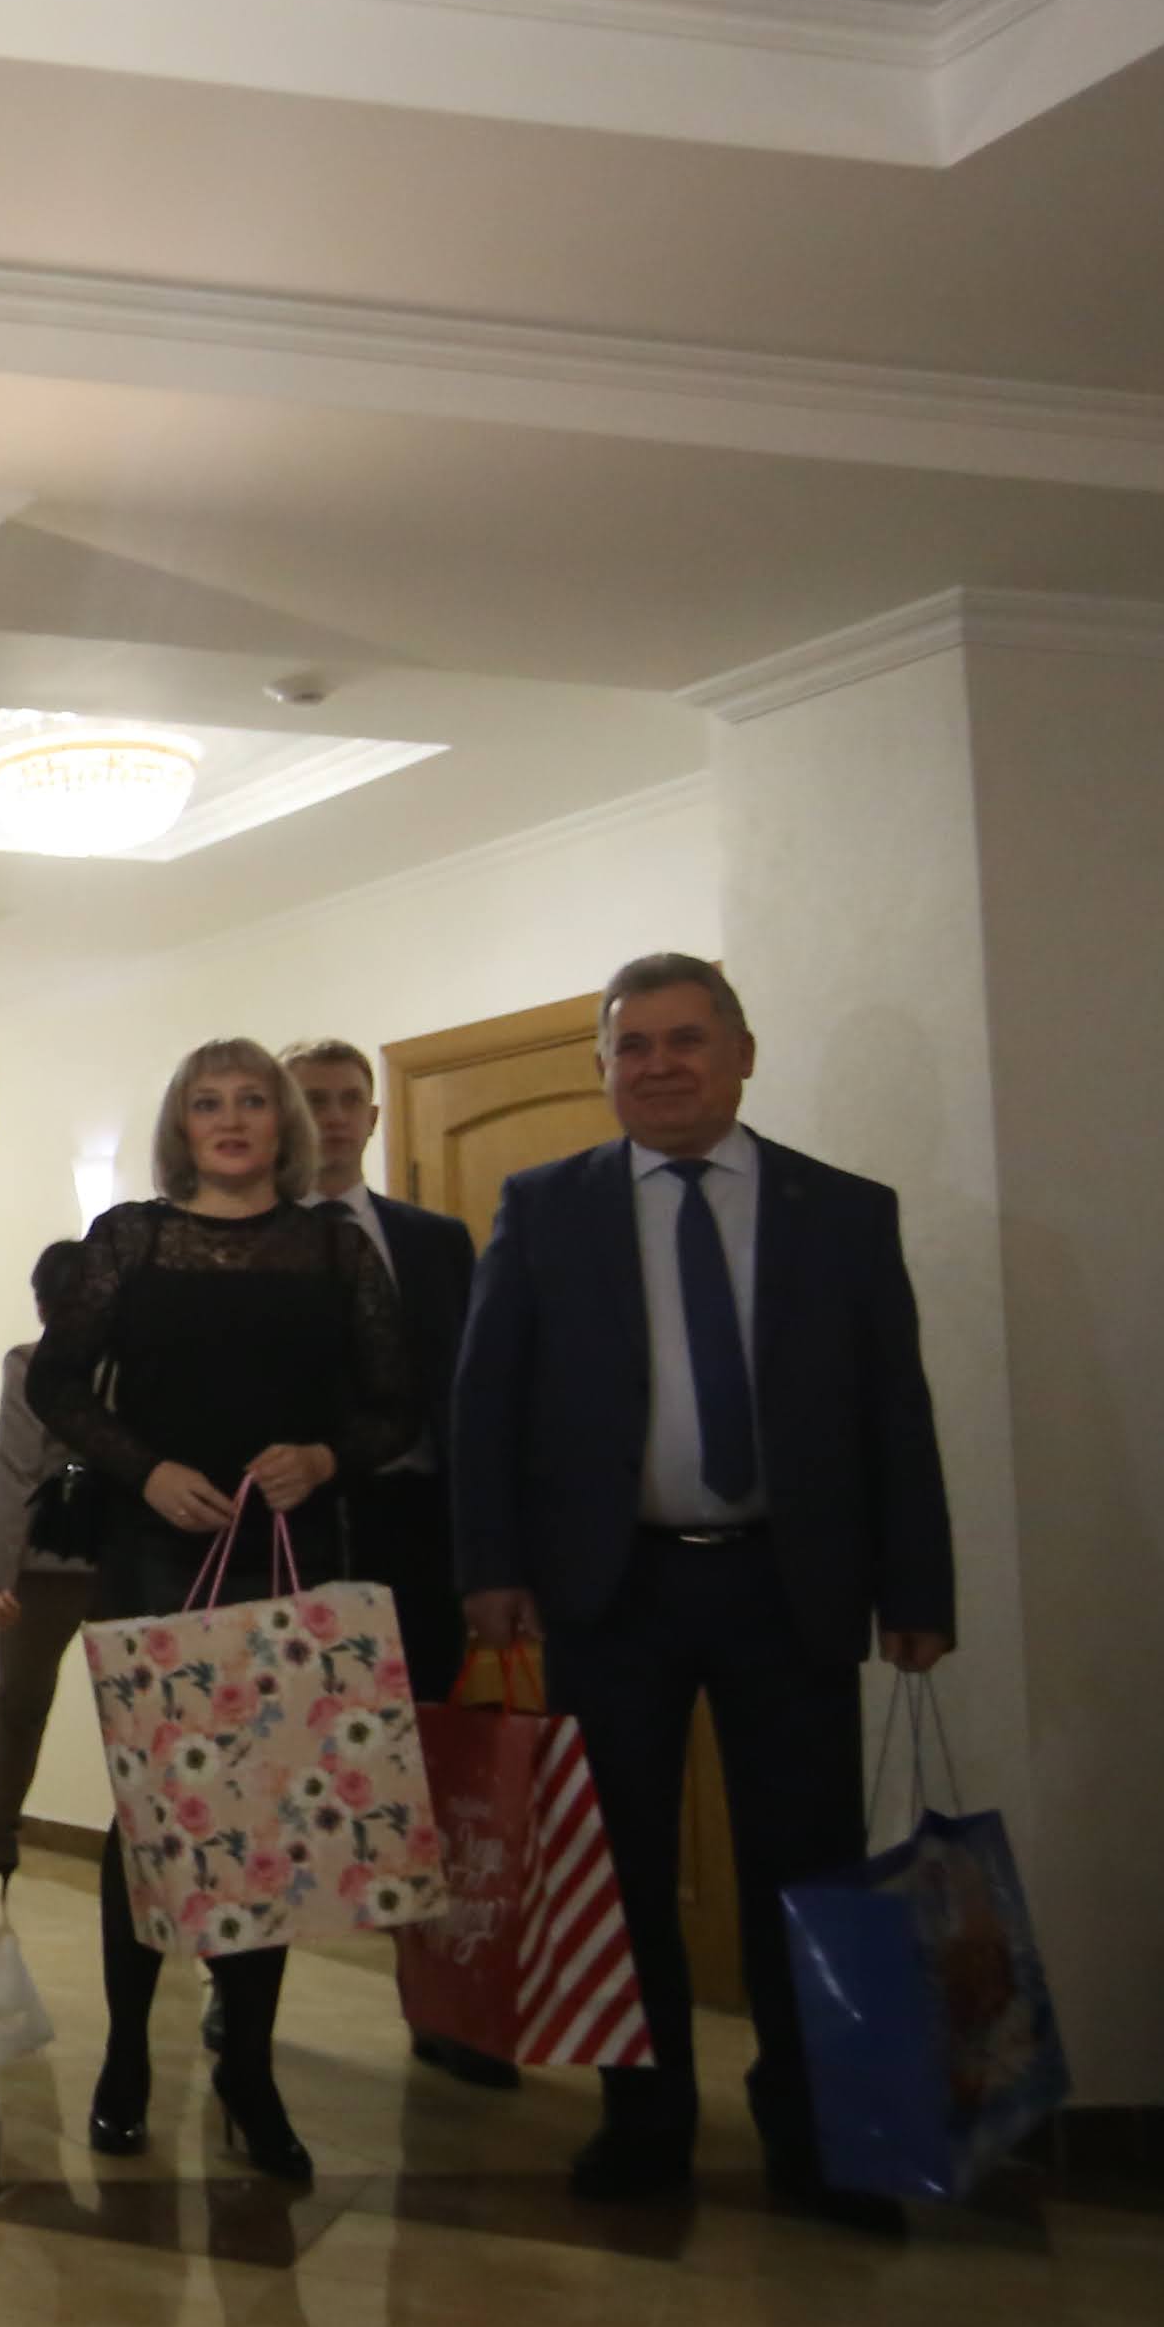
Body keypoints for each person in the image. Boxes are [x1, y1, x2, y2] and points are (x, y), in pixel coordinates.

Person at [454, 951, 952, 2237]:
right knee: (618, 1866)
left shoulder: (840, 1212)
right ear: (602, 1069)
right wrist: (490, 1568)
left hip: (790, 1584)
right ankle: (643, 2120)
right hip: (611, 1589)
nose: (659, 1064)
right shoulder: (542, 1207)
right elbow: (485, 1402)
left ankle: (818, 2138)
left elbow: (893, 1411)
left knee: (806, 1865)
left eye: (685, 1039)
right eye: (631, 1045)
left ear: (740, 1053)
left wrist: (914, 1584)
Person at [27, 1038, 408, 2184]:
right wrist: (141, 1470)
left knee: (266, 1819)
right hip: (152, 1552)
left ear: (282, 1122)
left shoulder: (334, 1249)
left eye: (250, 1100)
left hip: (285, 1555)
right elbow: (54, 1381)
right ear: (180, 1125)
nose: (230, 1118)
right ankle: (125, 2061)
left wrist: (324, 1456)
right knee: (149, 1812)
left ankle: (248, 2069)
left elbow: (395, 1406)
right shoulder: (129, 1240)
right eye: (206, 1102)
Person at [282, 1034, 517, 2093]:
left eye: (348, 1099)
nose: (331, 1117)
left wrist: (485, 1556)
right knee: (283, 1766)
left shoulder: (434, 1242)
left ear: (373, 1118)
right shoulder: (251, 1240)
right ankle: (243, 1998)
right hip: (295, 1531)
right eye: (311, 1099)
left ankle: (443, 2009)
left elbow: (474, 1399)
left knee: (427, 1778)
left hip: (416, 1534)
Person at [0, 1238, 104, 1878]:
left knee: (18, 1713)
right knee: (140, 1705)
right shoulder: (127, 1368)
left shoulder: (31, 1364)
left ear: (40, 1303)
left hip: (38, 1571)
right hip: (120, 1559)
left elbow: (16, 1469)